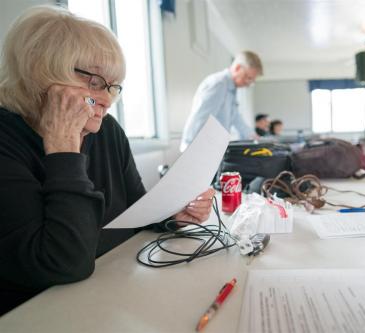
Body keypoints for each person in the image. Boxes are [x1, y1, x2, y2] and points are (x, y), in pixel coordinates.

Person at [0, 6, 214, 315]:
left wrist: (173, 214)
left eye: (113, 86)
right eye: (94, 82)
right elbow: (62, 263)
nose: (106, 99)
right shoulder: (7, 139)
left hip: (109, 292)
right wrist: (63, 147)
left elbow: (135, 210)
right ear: (40, 70)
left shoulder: (108, 131)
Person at [180, 51, 263, 151]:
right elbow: (199, 119)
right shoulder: (218, 84)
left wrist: (253, 137)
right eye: (248, 78)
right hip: (198, 150)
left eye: (252, 80)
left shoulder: (231, 90)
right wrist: (190, 151)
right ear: (238, 68)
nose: (249, 83)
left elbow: (236, 118)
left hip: (214, 147)